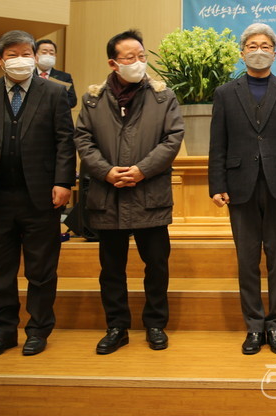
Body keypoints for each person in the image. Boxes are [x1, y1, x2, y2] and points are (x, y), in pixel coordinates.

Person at [0, 30, 75, 358]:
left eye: (27, 53)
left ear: (36, 57)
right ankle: (3, 332)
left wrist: (63, 182)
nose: (21, 59)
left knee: (41, 270)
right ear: (0, 60)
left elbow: (64, 142)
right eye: (13, 54)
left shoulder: (55, 93)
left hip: (40, 198)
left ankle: (38, 330)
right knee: (0, 271)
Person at [75, 30, 184, 355]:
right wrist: (106, 171)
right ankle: (117, 327)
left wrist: (141, 170)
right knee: (111, 269)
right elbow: (82, 139)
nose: (138, 63)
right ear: (113, 63)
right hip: (108, 198)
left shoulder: (164, 96)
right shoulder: (93, 99)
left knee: (157, 265)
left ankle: (155, 325)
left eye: (141, 56)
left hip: (150, 195)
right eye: (129, 58)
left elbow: (173, 138)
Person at [209, 23, 276, 355]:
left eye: (265, 45)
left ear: (275, 52)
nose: (258, 50)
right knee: (247, 259)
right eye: (252, 45)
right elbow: (217, 144)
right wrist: (217, 184)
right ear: (242, 52)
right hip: (240, 187)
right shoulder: (225, 93)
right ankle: (254, 327)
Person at [34, 38, 77, 109]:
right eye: (44, 52)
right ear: (36, 55)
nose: (48, 56)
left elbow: (72, 101)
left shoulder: (64, 77)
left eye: (51, 53)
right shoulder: (29, 75)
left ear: (55, 56)